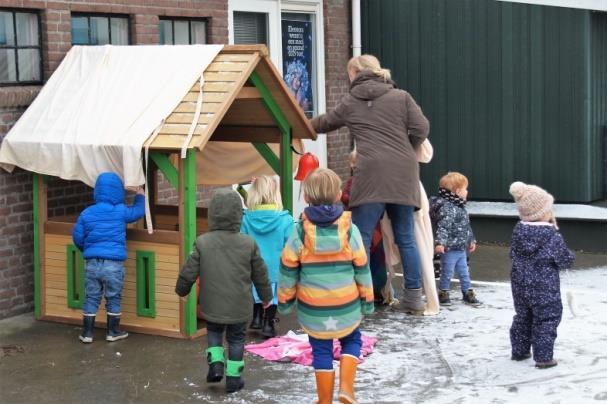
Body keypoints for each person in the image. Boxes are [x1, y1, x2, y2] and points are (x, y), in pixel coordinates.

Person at [310, 54, 430, 314]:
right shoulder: (402, 97)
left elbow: (326, 123)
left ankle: (360, 297)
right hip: (403, 174)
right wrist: (407, 149)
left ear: (355, 73)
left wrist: (299, 124)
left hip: (371, 174)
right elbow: (421, 127)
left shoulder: (351, 101)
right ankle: (413, 298)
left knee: (361, 237)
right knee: (406, 237)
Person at [278, 168, 374, 404]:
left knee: (320, 349)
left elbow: (287, 269)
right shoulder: (351, 229)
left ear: (306, 198)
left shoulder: (299, 231)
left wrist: (285, 301)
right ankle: (347, 389)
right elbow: (362, 267)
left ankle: (324, 400)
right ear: (339, 194)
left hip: (314, 307)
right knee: (352, 340)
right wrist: (367, 300)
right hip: (346, 304)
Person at [175, 189, 272, 393]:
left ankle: (216, 365)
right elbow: (260, 274)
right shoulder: (248, 243)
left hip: (212, 303)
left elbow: (189, 270)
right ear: (238, 215)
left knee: (214, 332)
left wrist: (182, 290)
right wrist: (266, 298)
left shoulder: (203, 242)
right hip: (239, 305)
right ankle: (234, 379)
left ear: (212, 215)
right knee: (236, 339)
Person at [72, 172, 145, 343]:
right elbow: (137, 212)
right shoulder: (120, 211)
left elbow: (77, 237)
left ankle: (87, 333)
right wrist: (140, 195)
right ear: (118, 191)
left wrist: (87, 250)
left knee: (91, 296)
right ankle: (113, 331)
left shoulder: (87, 213)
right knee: (113, 296)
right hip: (113, 264)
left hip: (92, 263)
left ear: (97, 191)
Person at [508, 181, 575, 369]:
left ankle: (519, 351)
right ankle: (544, 357)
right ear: (541, 213)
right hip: (545, 289)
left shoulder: (518, 232)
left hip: (520, 286)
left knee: (523, 316)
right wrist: (571, 257)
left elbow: (512, 254)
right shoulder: (552, 236)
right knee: (546, 319)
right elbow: (564, 260)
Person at [241, 176, 293, 338]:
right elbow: (291, 244)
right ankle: (268, 323)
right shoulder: (285, 219)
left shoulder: (246, 218)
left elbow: (242, 241)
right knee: (272, 295)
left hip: (253, 265)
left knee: (256, 289)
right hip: (276, 267)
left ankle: (256, 318)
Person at [429, 172, 481, 306]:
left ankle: (467, 292)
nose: (467, 191)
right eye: (465, 189)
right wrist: (440, 243)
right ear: (458, 191)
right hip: (450, 249)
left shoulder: (460, 207)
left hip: (461, 248)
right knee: (447, 271)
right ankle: (443, 292)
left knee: (464, 272)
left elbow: (466, 226)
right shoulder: (448, 208)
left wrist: (471, 239)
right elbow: (443, 226)